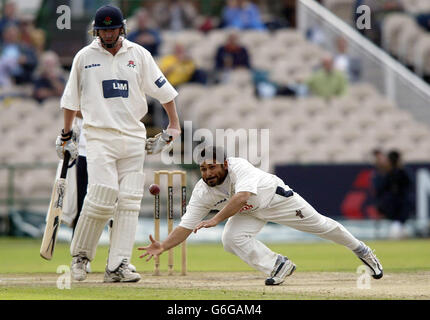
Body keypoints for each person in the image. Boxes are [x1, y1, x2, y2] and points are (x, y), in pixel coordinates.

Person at [56, 5, 181, 283]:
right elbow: (70, 100)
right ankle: (81, 257)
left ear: (122, 28)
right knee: (102, 193)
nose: (109, 34)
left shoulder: (138, 54)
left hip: (133, 137)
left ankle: (118, 265)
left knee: (129, 201)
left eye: (113, 29)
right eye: (104, 30)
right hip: (99, 136)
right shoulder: (84, 57)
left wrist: (173, 124)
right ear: (96, 31)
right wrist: (66, 135)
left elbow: (164, 90)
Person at [138, 146, 383, 285]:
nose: (207, 173)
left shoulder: (238, 166)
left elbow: (242, 196)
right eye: (203, 169)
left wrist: (215, 219)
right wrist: (163, 246)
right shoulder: (203, 191)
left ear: (224, 164)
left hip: (277, 200)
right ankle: (278, 265)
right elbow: (186, 226)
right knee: (231, 239)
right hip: (250, 211)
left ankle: (361, 250)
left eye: (212, 167)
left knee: (322, 226)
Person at [376, 150, 412, 239]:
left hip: (398, 204)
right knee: (398, 225)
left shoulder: (397, 173)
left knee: (397, 226)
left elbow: (381, 189)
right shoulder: (400, 172)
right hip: (398, 204)